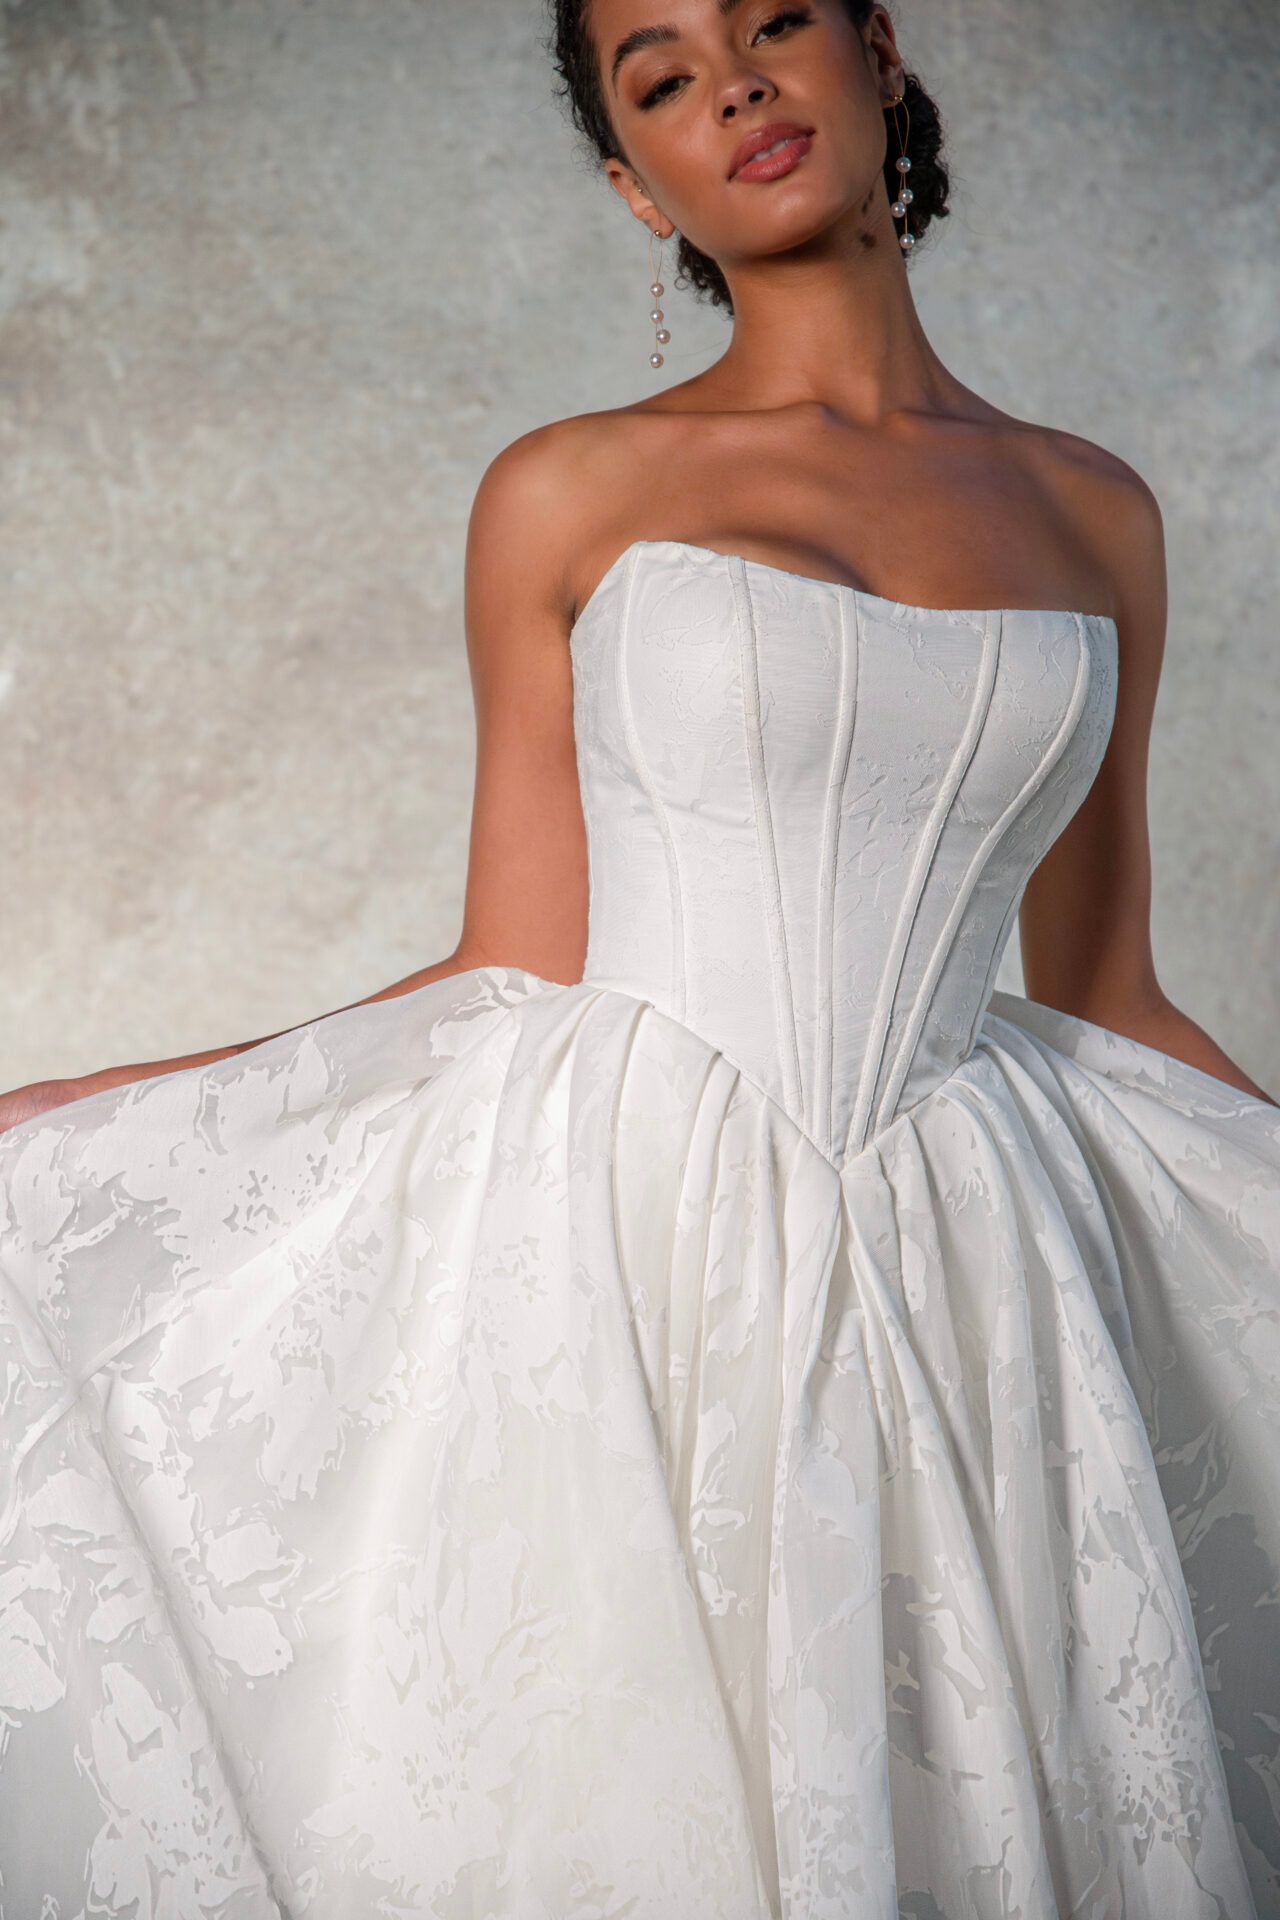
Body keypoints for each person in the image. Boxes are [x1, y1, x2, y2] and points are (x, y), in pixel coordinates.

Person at [1, 1, 1277, 1914]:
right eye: (661, 77)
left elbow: (1107, 992)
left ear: (880, 54)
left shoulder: (1097, 510)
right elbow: (508, 959)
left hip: (977, 1250)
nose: (736, 85)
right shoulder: (568, 489)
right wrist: (132, 1110)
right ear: (631, 180)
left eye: (773, 24)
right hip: (633, 1233)